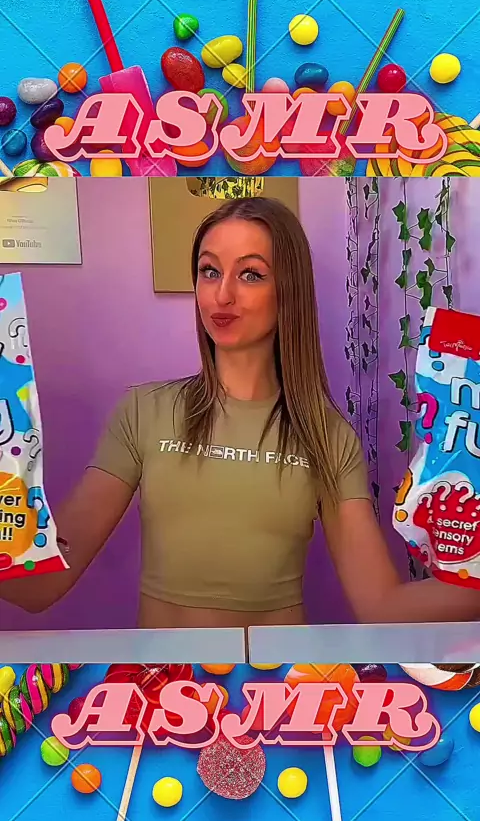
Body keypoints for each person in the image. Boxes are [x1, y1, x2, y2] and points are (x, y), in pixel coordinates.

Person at [1, 196, 480, 628]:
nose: (222, 294)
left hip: (275, 687)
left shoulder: (327, 436)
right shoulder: (143, 412)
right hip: (165, 688)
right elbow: (40, 586)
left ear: (287, 289)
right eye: (210, 271)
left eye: (250, 274)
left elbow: (382, 607)